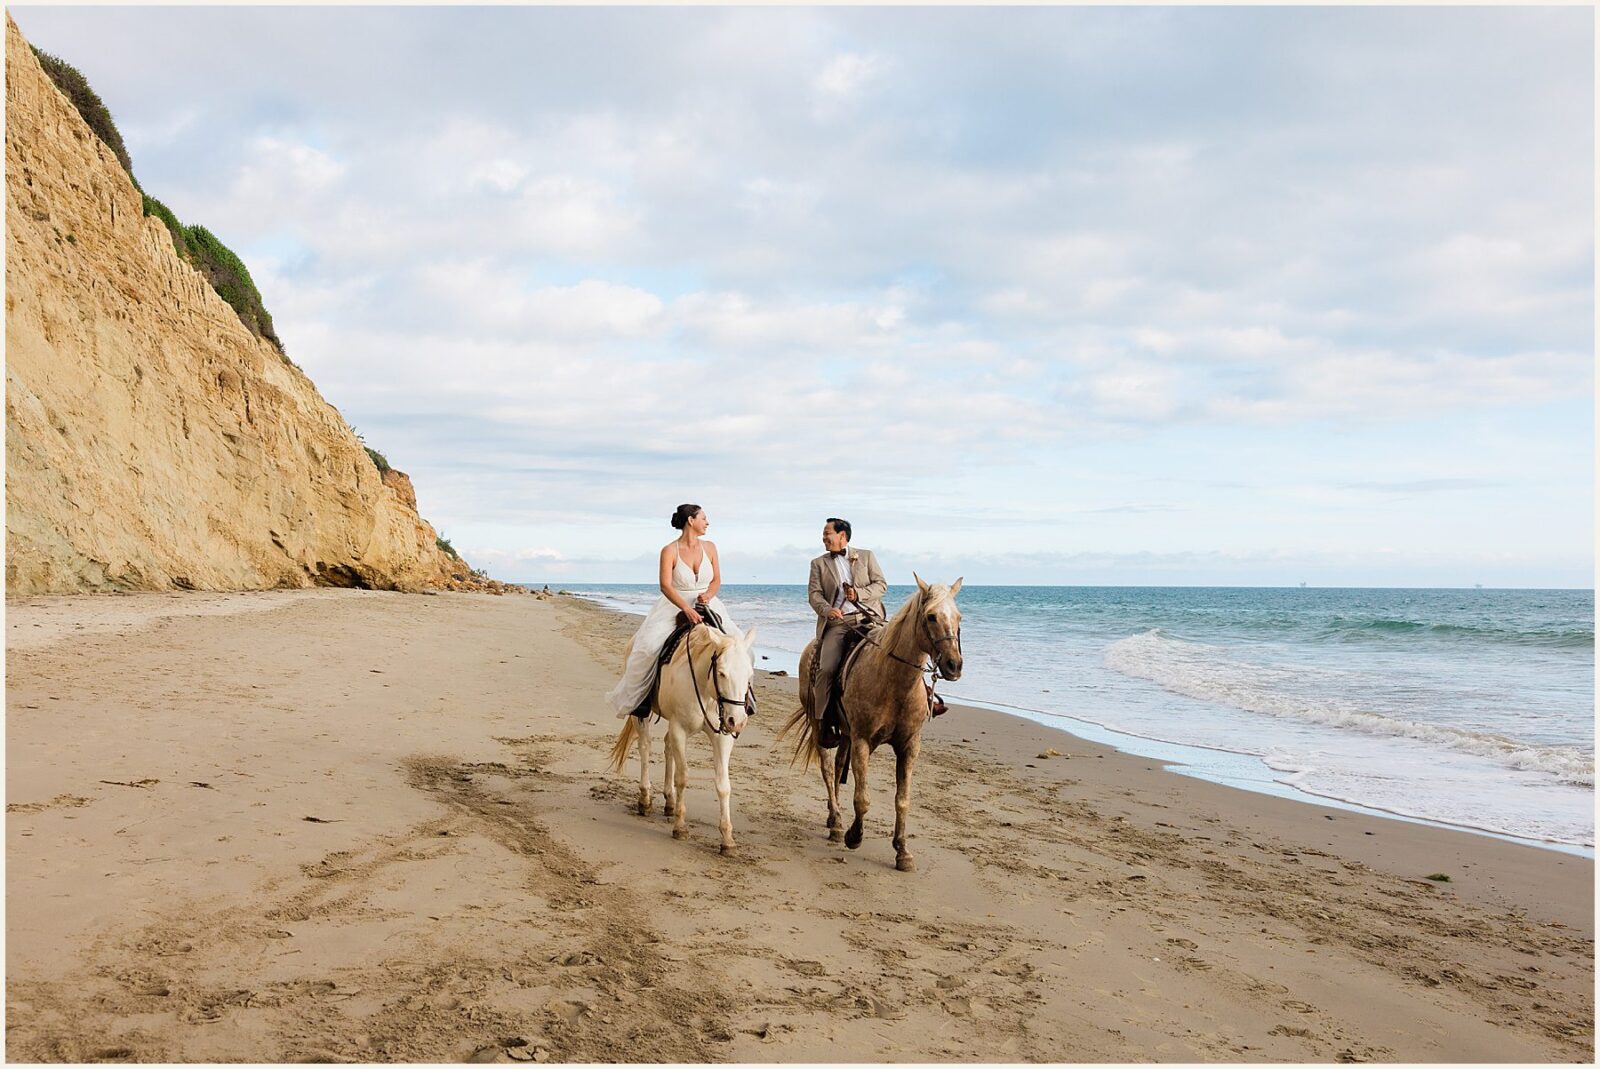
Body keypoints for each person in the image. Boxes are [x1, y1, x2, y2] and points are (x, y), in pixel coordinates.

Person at [605, 503, 746, 718]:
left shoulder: (710, 547)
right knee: (647, 648)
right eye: (704, 518)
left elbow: (717, 579)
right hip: (674, 605)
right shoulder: (669, 550)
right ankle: (641, 700)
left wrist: (707, 596)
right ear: (691, 520)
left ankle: (745, 699)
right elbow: (665, 585)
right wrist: (686, 608)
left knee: (739, 643)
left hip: (708, 603)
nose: (707, 523)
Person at [806, 517, 887, 727]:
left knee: (900, 649)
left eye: (827, 534)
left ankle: (925, 700)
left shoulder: (866, 556)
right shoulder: (818, 564)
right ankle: (822, 721)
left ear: (842, 536)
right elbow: (814, 595)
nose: (823, 538)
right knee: (826, 669)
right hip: (839, 624)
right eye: (823, 535)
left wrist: (858, 594)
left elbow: (881, 585)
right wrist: (827, 610)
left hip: (871, 618)